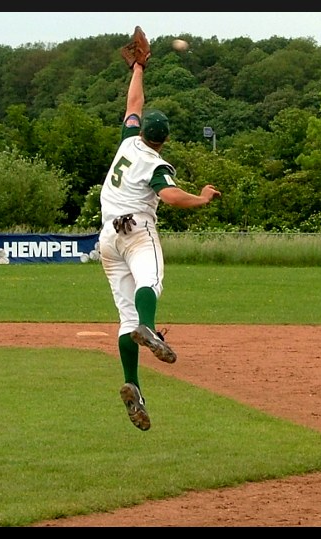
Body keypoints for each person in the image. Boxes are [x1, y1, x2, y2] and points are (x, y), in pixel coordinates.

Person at [99, 27, 221, 431]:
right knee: (151, 280)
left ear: (141, 130)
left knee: (124, 317)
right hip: (136, 231)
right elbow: (168, 197)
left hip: (107, 240)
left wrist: (138, 67)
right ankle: (149, 329)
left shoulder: (127, 141)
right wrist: (201, 199)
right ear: (164, 140)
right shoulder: (155, 161)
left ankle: (132, 383)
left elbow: (134, 102)